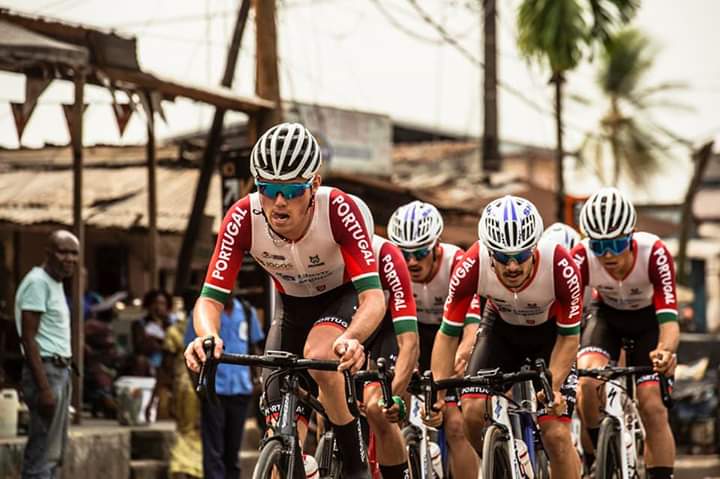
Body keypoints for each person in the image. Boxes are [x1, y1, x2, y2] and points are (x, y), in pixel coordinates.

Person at [185, 122, 386, 479]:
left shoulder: (339, 209)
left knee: (321, 353)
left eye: (292, 189)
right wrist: (206, 335)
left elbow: (373, 298)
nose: (279, 201)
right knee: (279, 437)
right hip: (291, 310)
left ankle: (355, 465)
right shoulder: (242, 218)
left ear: (314, 186)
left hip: (341, 300)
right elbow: (209, 300)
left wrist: (352, 337)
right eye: (268, 188)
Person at [431, 195, 582, 479]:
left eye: (521, 256)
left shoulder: (560, 263)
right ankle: (499, 464)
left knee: (555, 434)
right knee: (472, 412)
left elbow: (570, 337)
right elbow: (448, 333)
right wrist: (438, 396)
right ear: (489, 252)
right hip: (500, 332)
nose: (512, 266)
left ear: (535, 247)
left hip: (551, 338)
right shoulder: (472, 262)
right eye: (501, 257)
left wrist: (556, 387)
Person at [573, 187, 678, 479]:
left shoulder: (654, 252)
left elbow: (669, 319)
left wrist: (665, 351)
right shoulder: (580, 255)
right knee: (586, 381)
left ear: (631, 236)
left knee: (651, 402)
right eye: (598, 246)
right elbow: (565, 315)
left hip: (648, 322)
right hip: (606, 317)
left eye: (617, 244)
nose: (607, 255)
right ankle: (598, 457)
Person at [386, 200, 480, 479]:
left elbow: (471, 326)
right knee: (392, 403)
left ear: (436, 245)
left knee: (454, 424)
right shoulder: (394, 267)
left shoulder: (457, 263)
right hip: (413, 336)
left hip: (450, 336)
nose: (412, 261)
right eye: (405, 253)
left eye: (420, 252)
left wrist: (461, 357)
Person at [351, 195, 419, 479]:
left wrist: (394, 395)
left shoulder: (388, 255)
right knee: (330, 403)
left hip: (386, 330)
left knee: (377, 407)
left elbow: (409, 342)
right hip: (347, 327)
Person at [15, 230, 79, 479]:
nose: (70, 258)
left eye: (74, 253)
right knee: (41, 454)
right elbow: (28, 338)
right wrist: (44, 388)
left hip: (59, 371)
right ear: (48, 253)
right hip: (46, 371)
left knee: (53, 452)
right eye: (64, 252)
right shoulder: (38, 282)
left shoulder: (54, 283)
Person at [186, 293, 264, 479]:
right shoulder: (201, 313)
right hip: (214, 389)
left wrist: (258, 380)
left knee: (233, 451)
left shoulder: (246, 311)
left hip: (240, 389)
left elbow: (254, 347)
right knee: (213, 451)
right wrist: (198, 386)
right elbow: (190, 353)